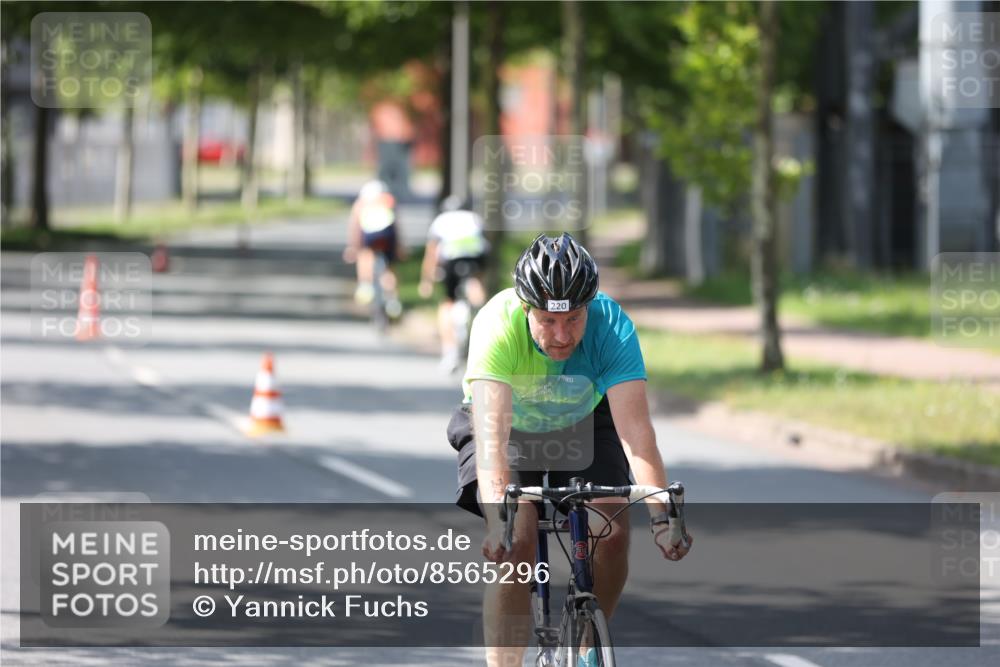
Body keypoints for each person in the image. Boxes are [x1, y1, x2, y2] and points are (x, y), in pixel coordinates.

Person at [446, 233, 693, 667]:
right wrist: (497, 521)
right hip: (507, 430)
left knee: (612, 529)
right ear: (526, 309)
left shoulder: (612, 326)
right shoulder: (496, 324)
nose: (562, 336)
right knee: (516, 541)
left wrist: (661, 516)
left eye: (574, 319)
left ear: (588, 308)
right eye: (547, 321)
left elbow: (636, 434)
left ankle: (587, 647)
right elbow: (492, 440)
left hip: (582, 419)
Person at [419, 194, 490, 372]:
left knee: (447, 304)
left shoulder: (440, 220)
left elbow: (432, 253)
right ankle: (481, 313)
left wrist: (427, 281)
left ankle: (449, 350)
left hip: (451, 260)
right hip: (475, 258)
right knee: (476, 288)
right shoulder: (475, 218)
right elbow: (484, 246)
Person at [343, 179, 403, 318]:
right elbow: (397, 224)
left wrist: (353, 247)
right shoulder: (388, 200)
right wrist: (400, 247)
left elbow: (355, 225)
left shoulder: (362, 202)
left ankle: (365, 284)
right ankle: (393, 299)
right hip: (388, 234)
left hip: (370, 233)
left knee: (365, 255)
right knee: (389, 268)